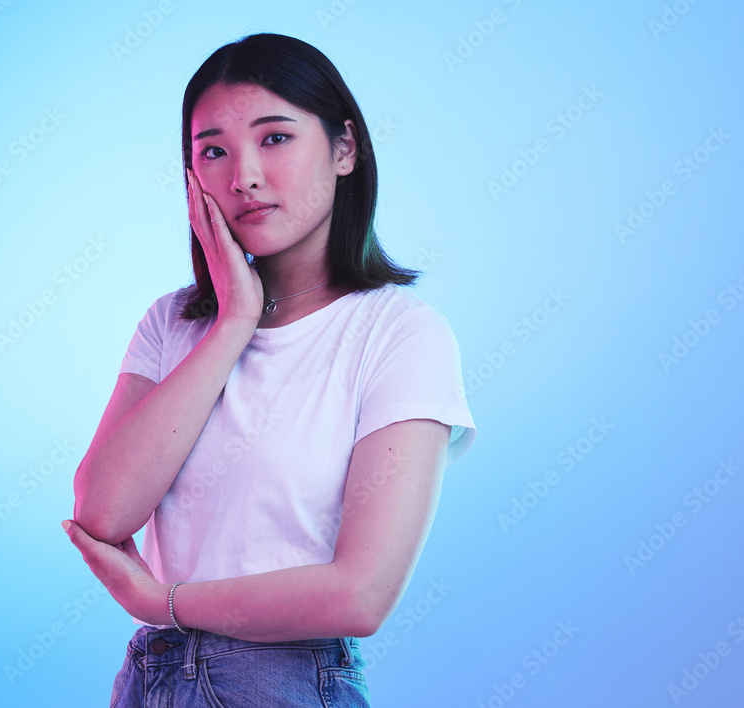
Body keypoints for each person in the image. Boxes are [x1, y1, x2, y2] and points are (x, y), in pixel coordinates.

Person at [62, 32, 477, 707]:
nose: (243, 176)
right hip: (151, 681)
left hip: (283, 684)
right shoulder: (174, 324)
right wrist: (232, 324)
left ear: (345, 149)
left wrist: (163, 600)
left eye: (275, 138)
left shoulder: (399, 333)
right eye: (213, 151)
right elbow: (102, 513)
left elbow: (362, 594)